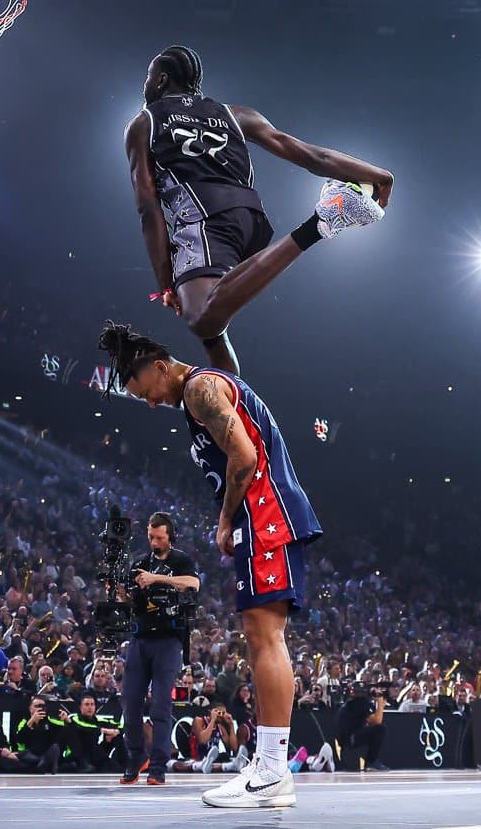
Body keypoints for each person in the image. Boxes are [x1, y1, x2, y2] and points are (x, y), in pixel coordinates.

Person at [100, 321, 322, 809]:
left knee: (266, 638)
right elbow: (223, 354)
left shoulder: (200, 387)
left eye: (147, 392)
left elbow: (243, 455)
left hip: (265, 515)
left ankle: (272, 768)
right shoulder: (212, 382)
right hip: (262, 517)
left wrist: (225, 520)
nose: (153, 403)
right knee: (259, 636)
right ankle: (267, 765)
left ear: (160, 368)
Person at [125, 46, 392, 374]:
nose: (146, 84)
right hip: (250, 222)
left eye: (148, 78)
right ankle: (233, 407)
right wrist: (376, 175)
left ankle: (321, 222)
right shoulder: (235, 114)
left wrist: (165, 283)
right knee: (212, 331)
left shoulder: (144, 122)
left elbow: (147, 207)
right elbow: (311, 156)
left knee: (201, 317)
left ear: (161, 80)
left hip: (202, 218)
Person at [118, 512, 201, 786]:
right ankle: (136, 755)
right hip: (140, 638)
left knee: (161, 704)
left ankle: (157, 766)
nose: (154, 542)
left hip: (168, 639)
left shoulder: (181, 560)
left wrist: (157, 579)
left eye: (159, 537)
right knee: (129, 701)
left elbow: (193, 583)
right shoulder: (140, 563)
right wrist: (120, 593)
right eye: (151, 537)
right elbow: (130, 602)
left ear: (170, 537)